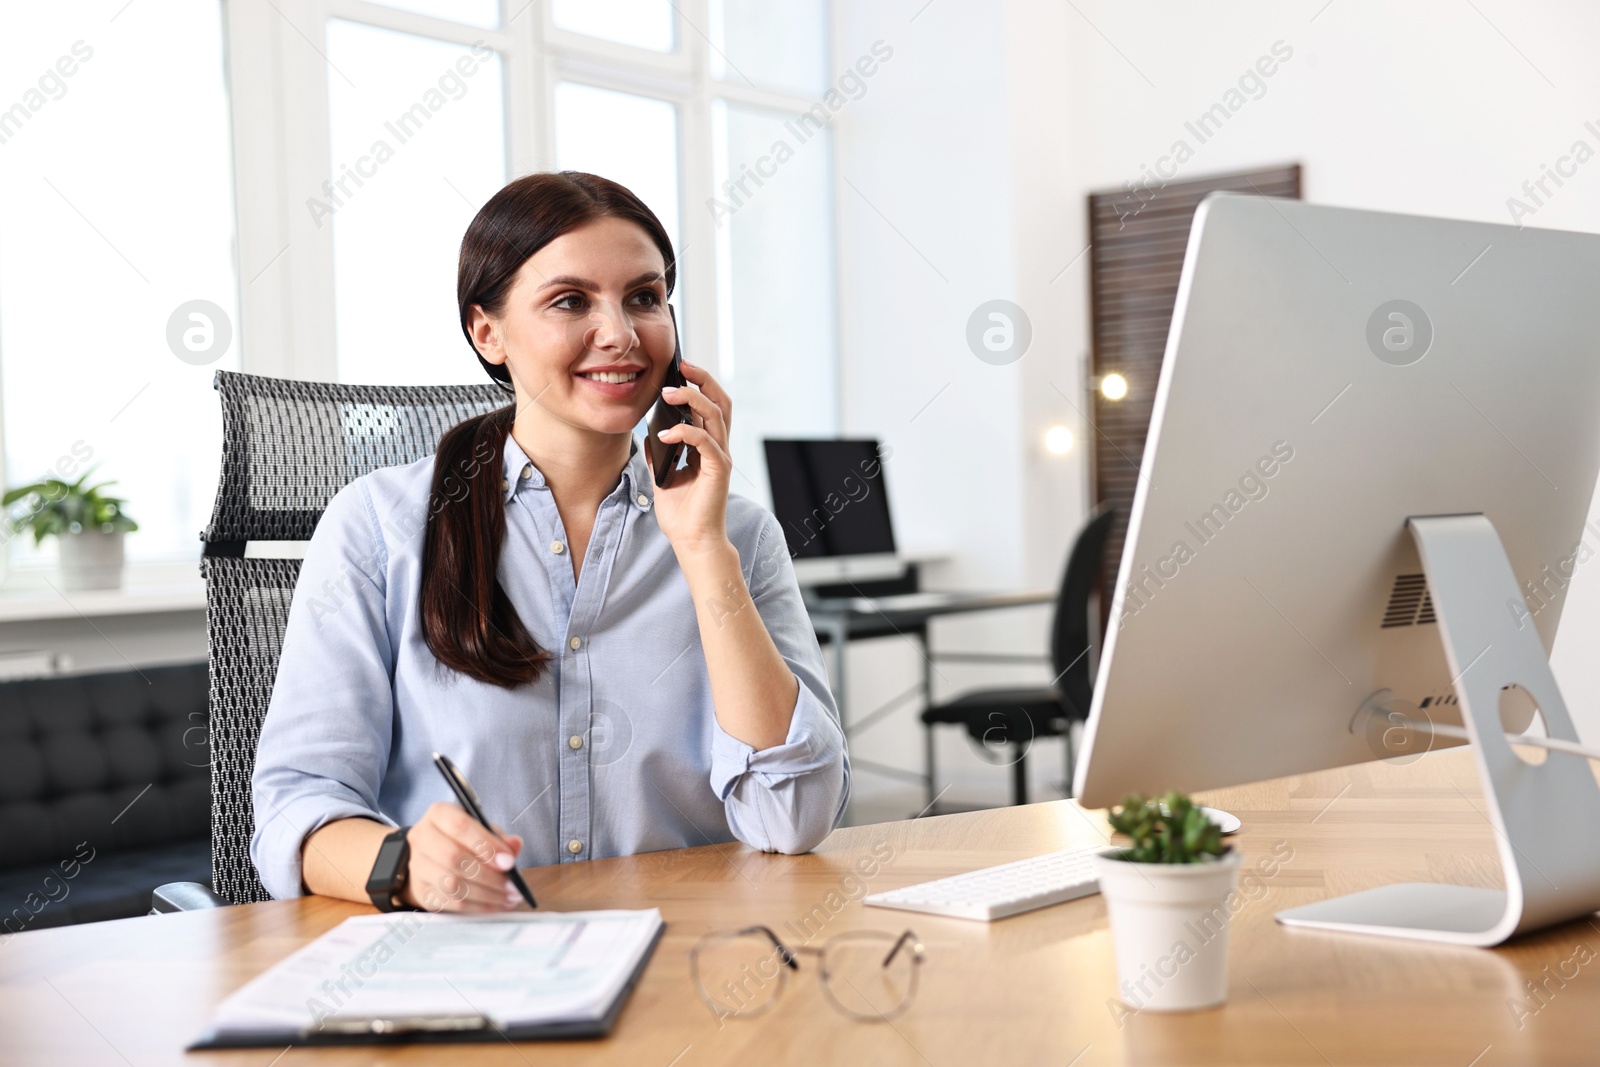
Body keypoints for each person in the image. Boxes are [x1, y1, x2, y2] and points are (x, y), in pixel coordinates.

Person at [250, 171, 850, 911]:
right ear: (487, 332)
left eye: (645, 297)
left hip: (689, 967)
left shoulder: (738, 536)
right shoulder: (378, 527)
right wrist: (403, 863)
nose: (622, 334)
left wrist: (703, 553)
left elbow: (792, 818)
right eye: (571, 301)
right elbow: (296, 805)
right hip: (466, 965)